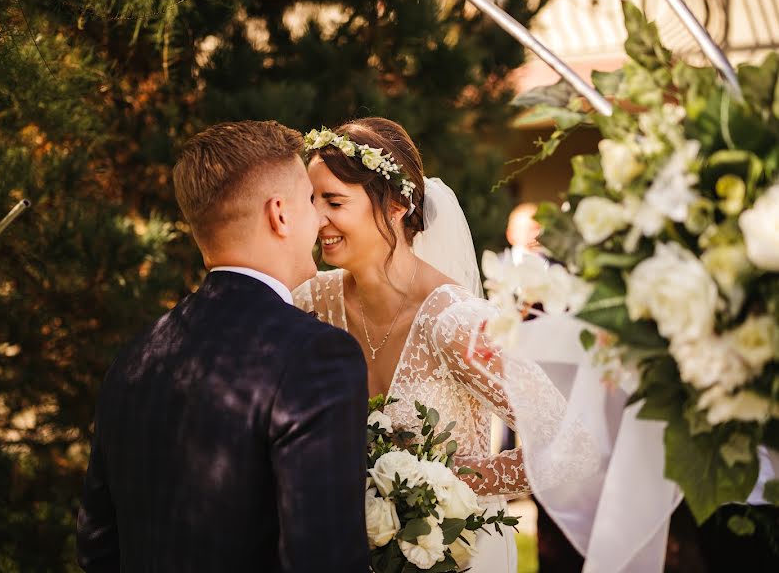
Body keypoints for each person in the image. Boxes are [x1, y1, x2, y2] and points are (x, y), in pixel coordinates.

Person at [294, 117, 599, 572]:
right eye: (311, 201)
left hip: (454, 557)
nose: (318, 219)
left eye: (334, 201)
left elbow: (572, 444)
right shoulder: (311, 303)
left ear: (397, 204)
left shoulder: (456, 323)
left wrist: (446, 484)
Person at [77, 120, 369, 572]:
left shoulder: (135, 357)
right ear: (280, 215)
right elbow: (323, 558)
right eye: (310, 201)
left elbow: (97, 547)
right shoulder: (316, 357)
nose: (319, 219)